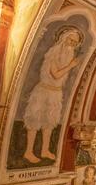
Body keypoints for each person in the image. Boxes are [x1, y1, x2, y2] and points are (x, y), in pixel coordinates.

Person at [23, 27, 83, 164]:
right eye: (70, 40)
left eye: (75, 43)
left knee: (49, 122)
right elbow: (55, 75)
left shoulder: (68, 56)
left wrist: (71, 64)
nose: (72, 44)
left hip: (55, 93)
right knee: (34, 121)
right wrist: (71, 65)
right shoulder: (54, 53)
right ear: (63, 38)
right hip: (43, 91)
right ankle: (28, 151)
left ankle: (45, 150)